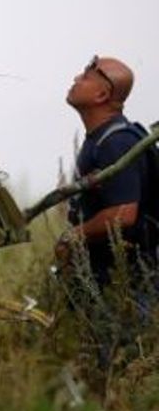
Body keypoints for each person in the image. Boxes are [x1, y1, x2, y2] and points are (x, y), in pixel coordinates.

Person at [56, 56, 154, 286]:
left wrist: (73, 236)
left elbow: (124, 213)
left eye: (86, 77)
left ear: (102, 95)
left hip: (133, 280)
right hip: (111, 273)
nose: (76, 79)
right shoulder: (100, 138)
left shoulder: (117, 142)